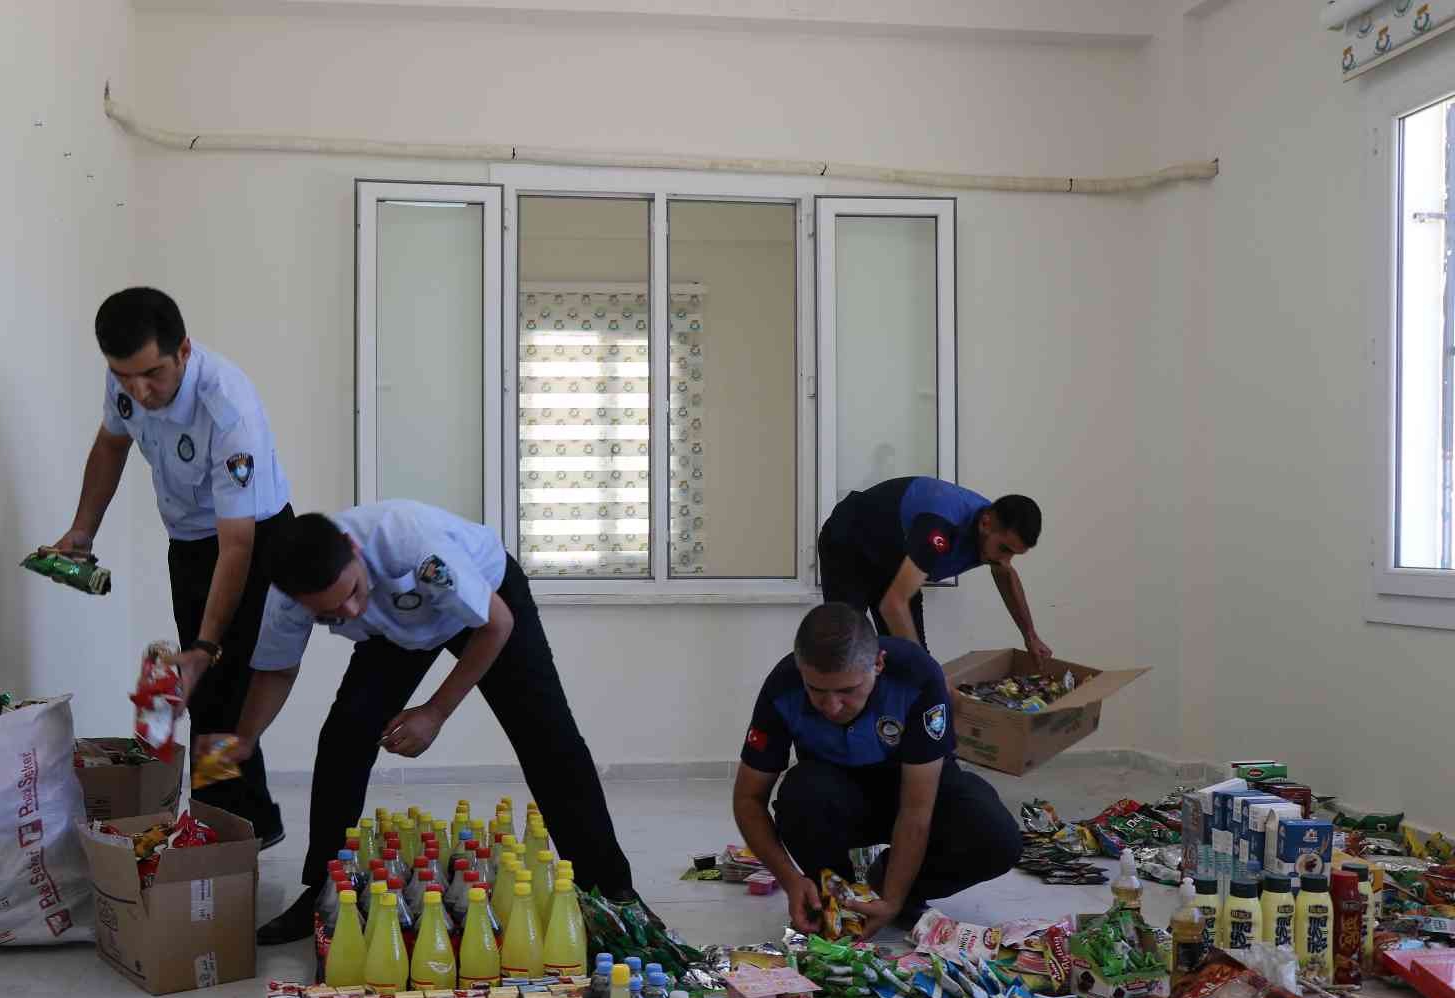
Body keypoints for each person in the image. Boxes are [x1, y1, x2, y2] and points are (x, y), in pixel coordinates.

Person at [199, 500, 638, 945]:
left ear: (354, 549)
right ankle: (324, 888)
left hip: (486, 605)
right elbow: (277, 670)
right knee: (344, 739)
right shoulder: (289, 597)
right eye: (330, 613)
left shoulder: (414, 549)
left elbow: (497, 625)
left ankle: (612, 892)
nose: (349, 612)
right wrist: (245, 739)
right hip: (397, 628)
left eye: (351, 592)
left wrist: (435, 711)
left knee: (549, 740)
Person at [52, 287, 291, 845]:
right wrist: (82, 531)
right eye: (123, 375)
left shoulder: (228, 410)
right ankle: (247, 818)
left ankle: (225, 824)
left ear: (183, 350)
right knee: (208, 694)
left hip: (255, 540)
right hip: (188, 541)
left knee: (219, 688)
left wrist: (205, 648)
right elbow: (111, 447)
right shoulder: (127, 381)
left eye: (152, 374)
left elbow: (236, 546)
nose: (139, 390)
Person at [732, 603, 1021, 936]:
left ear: (878, 664)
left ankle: (889, 885)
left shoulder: (917, 676)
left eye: (847, 690)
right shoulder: (782, 688)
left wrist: (894, 897)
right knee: (802, 796)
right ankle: (837, 893)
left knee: (997, 839)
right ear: (801, 671)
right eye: (817, 691)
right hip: (838, 795)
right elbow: (747, 800)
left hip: (912, 786)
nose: (832, 706)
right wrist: (791, 880)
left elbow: (916, 809)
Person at [817, 476, 1049, 664]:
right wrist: (927, 672)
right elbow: (894, 604)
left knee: (906, 656)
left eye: (1013, 554)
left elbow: (1005, 573)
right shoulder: (941, 526)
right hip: (848, 542)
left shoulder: (994, 532)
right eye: (1004, 549)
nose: (1005, 560)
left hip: (891, 556)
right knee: (847, 648)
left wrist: (1030, 636)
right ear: (985, 524)